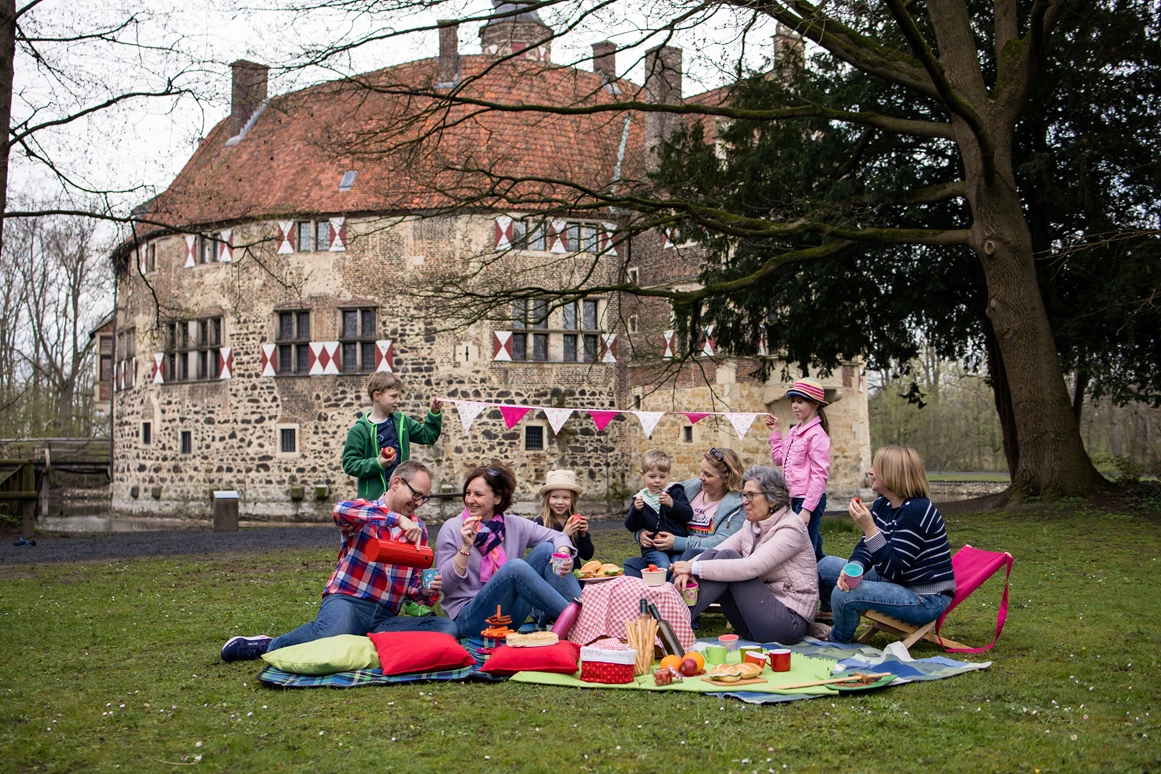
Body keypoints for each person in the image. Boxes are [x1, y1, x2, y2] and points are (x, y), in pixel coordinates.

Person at [220, 460, 456, 662]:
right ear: (396, 483)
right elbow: (340, 510)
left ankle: (359, 642)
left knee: (446, 629)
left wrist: (424, 590)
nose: (418, 503)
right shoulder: (365, 512)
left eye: (424, 499)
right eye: (416, 495)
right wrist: (396, 520)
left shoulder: (419, 528)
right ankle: (267, 646)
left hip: (386, 616)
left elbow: (413, 590)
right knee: (332, 632)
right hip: (348, 602)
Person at [812, 445, 955, 643]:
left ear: (893, 473)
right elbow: (866, 547)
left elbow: (894, 569)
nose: (870, 472)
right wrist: (853, 569)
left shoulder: (917, 511)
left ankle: (838, 640)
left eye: (876, 467)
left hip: (924, 598)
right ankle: (820, 614)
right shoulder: (883, 504)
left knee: (845, 592)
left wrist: (870, 528)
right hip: (893, 581)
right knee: (824, 566)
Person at [671, 465, 818, 644]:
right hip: (754, 620)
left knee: (727, 559)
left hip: (787, 623)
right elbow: (717, 550)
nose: (744, 501)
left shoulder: (791, 528)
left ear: (772, 500)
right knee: (710, 554)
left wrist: (692, 567)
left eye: (751, 495)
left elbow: (751, 567)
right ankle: (669, 614)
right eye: (744, 494)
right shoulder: (752, 524)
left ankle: (671, 624)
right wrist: (684, 569)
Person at [435, 463, 582, 638]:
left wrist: (564, 552)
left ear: (497, 498)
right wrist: (466, 548)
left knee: (547, 549)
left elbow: (556, 536)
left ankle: (583, 611)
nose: (470, 499)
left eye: (478, 494)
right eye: (468, 493)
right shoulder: (452, 528)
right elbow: (444, 585)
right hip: (469, 619)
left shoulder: (513, 525)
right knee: (514, 568)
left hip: (507, 616)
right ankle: (580, 621)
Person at [342, 371, 443, 499]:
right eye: (393, 396)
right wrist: (377, 463)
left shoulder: (402, 421)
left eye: (399, 396)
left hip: (401, 496)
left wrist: (434, 413)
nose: (398, 400)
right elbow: (350, 464)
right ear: (377, 396)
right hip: (374, 499)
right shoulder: (359, 430)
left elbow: (428, 436)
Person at [767, 377, 831, 561]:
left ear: (815, 404)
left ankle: (812, 585)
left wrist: (807, 509)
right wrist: (775, 432)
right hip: (792, 497)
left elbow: (820, 476)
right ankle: (824, 579)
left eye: (800, 401)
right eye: (793, 401)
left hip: (808, 500)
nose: (794, 406)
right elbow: (779, 459)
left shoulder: (818, 436)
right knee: (811, 548)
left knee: (805, 550)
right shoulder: (794, 432)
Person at [622, 449, 693, 577]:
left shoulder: (675, 492)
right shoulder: (640, 498)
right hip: (653, 548)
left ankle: (676, 594)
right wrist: (636, 510)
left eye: (662, 476)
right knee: (664, 567)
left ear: (668, 475)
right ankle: (661, 594)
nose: (657, 481)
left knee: (679, 567)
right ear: (643, 475)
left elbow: (688, 515)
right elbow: (630, 526)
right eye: (652, 476)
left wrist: (672, 504)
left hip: (676, 545)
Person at [534, 469, 594, 561]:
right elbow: (542, 555)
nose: (560, 502)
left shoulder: (575, 522)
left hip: (573, 573)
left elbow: (587, 555)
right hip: (550, 573)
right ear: (547, 499)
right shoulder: (540, 523)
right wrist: (564, 535)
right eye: (554, 497)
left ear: (573, 499)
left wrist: (583, 535)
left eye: (566, 497)